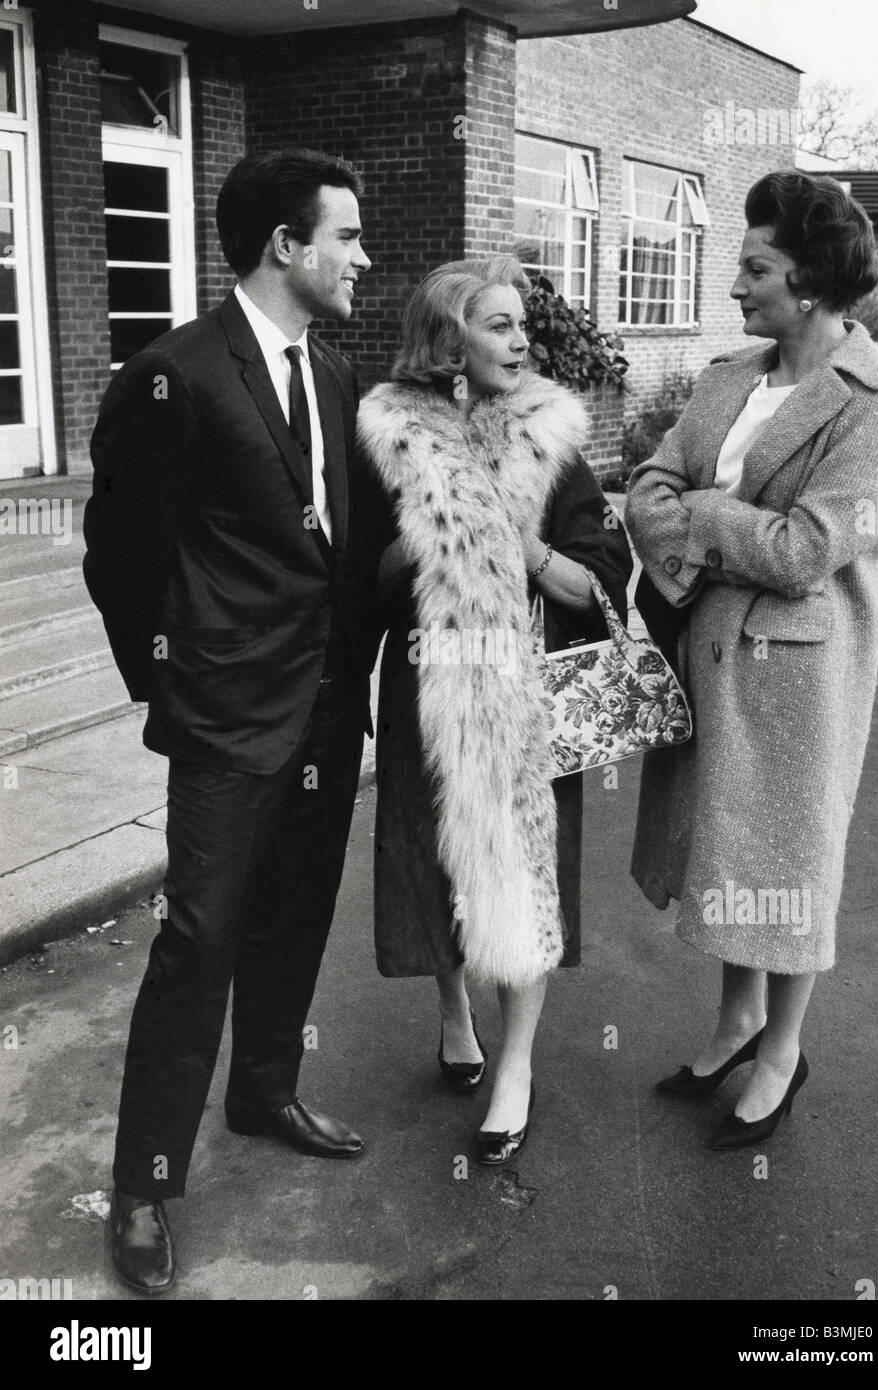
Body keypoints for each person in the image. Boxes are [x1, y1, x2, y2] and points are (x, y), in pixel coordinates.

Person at [83, 148, 377, 1292]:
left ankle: (262, 1091)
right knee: (198, 938)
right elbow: (125, 557)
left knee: (295, 912)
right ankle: (146, 1186)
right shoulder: (173, 376)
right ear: (284, 246)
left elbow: (337, 548)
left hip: (321, 710)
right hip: (223, 715)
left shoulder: (338, 376)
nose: (361, 256)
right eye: (345, 236)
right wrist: (171, 683)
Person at [625, 171, 878, 1149]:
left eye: (754, 267)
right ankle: (735, 1022)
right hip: (707, 648)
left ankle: (780, 1049)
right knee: (723, 846)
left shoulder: (869, 399)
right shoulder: (725, 375)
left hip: (797, 674)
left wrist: (698, 520)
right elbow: (646, 479)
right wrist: (690, 522)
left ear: (812, 278)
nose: (735, 284)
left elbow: (805, 551)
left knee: (785, 857)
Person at [357, 256, 633, 1163]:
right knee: (434, 860)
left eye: (523, 325)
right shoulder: (390, 433)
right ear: (449, 340)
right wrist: (412, 549)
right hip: (427, 684)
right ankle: (451, 1006)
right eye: (500, 325)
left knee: (525, 875)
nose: (523, 342)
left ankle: (516, 1065)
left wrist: (529, 552)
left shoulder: (550, 439)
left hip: (522, 698)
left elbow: (603, 576)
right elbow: (356, 577)